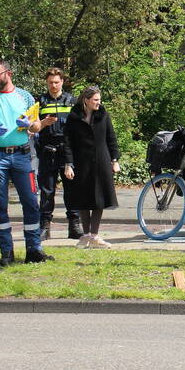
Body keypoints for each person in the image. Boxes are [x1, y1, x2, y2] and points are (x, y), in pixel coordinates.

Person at [0, 59, 53, 266]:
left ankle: (33, 250)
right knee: (0, 204)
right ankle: (6, 253)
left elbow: (36, 126)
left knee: (31, 202)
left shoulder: (25, 96)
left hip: (22, 155)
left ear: (8, 73)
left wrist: (29, 125)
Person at [62, 86, 120, 249]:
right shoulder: (73, 117)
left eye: (99, 100)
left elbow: (111, 138)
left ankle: (94, 235)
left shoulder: (103, 115)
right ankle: (86, 235)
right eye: (95, 100)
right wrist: (68, 164)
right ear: (86, 100)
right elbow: (67, 142)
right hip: (82, 162)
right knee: (83, 199)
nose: (98, 103)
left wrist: (115, 160)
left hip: (101, 161)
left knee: (99, 198)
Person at [35, 68, 81, 241]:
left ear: (62, 82)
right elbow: (32, 127)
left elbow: (79, 127)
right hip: (47, 150)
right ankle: (45, 227)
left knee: (72, 190)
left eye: (56, 82)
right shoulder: (40, 102)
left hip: (67, 151)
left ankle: (74, 226)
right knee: (47, 191)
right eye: (50, 83)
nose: (53, 86)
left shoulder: (72, 101)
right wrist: (44, 123)